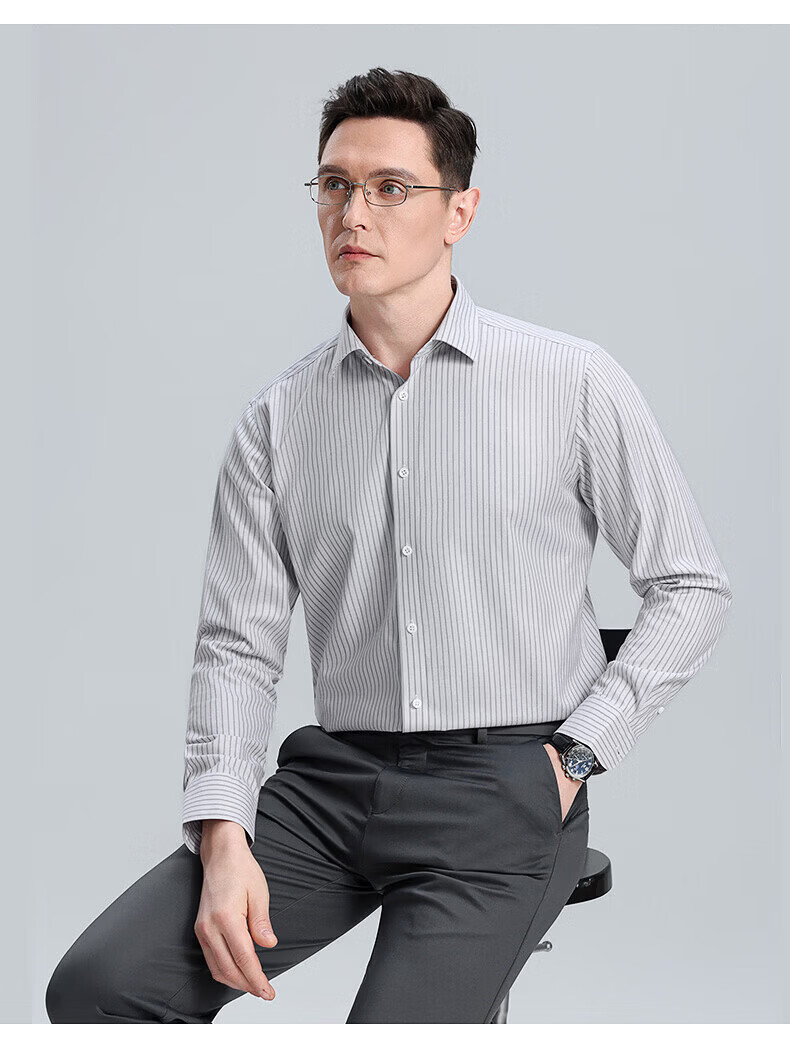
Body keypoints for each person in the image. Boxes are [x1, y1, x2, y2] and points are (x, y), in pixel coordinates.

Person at [45, 66, 733, 1024]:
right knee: (98, 989)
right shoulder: (278, 421)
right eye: (334, 185)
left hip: (507, 784)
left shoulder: (570, 382)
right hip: (333, 784)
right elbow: (237, 648)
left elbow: (692, 585)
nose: (354, 213)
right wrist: (223, 833)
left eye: (391, 187)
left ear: (460, 212)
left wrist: (578, 754)